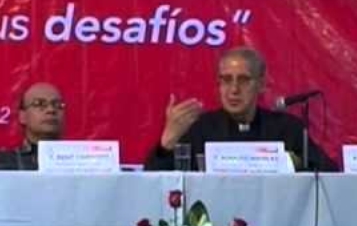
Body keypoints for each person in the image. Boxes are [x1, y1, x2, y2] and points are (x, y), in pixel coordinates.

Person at [144, 46, 337, 172]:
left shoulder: (287, 129)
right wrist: (166, 143)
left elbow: (329, 174)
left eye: (243, 80)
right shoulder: (198, 128)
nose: (234, 90)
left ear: (261, 84)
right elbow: (153, 183)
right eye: (226, 80)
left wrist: (291, 165)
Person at [0, 82, 66, 170]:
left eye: (58, 105)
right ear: (22, 116)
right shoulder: (4, 160)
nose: (51, 110)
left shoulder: (78, 160)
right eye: (39, 104)